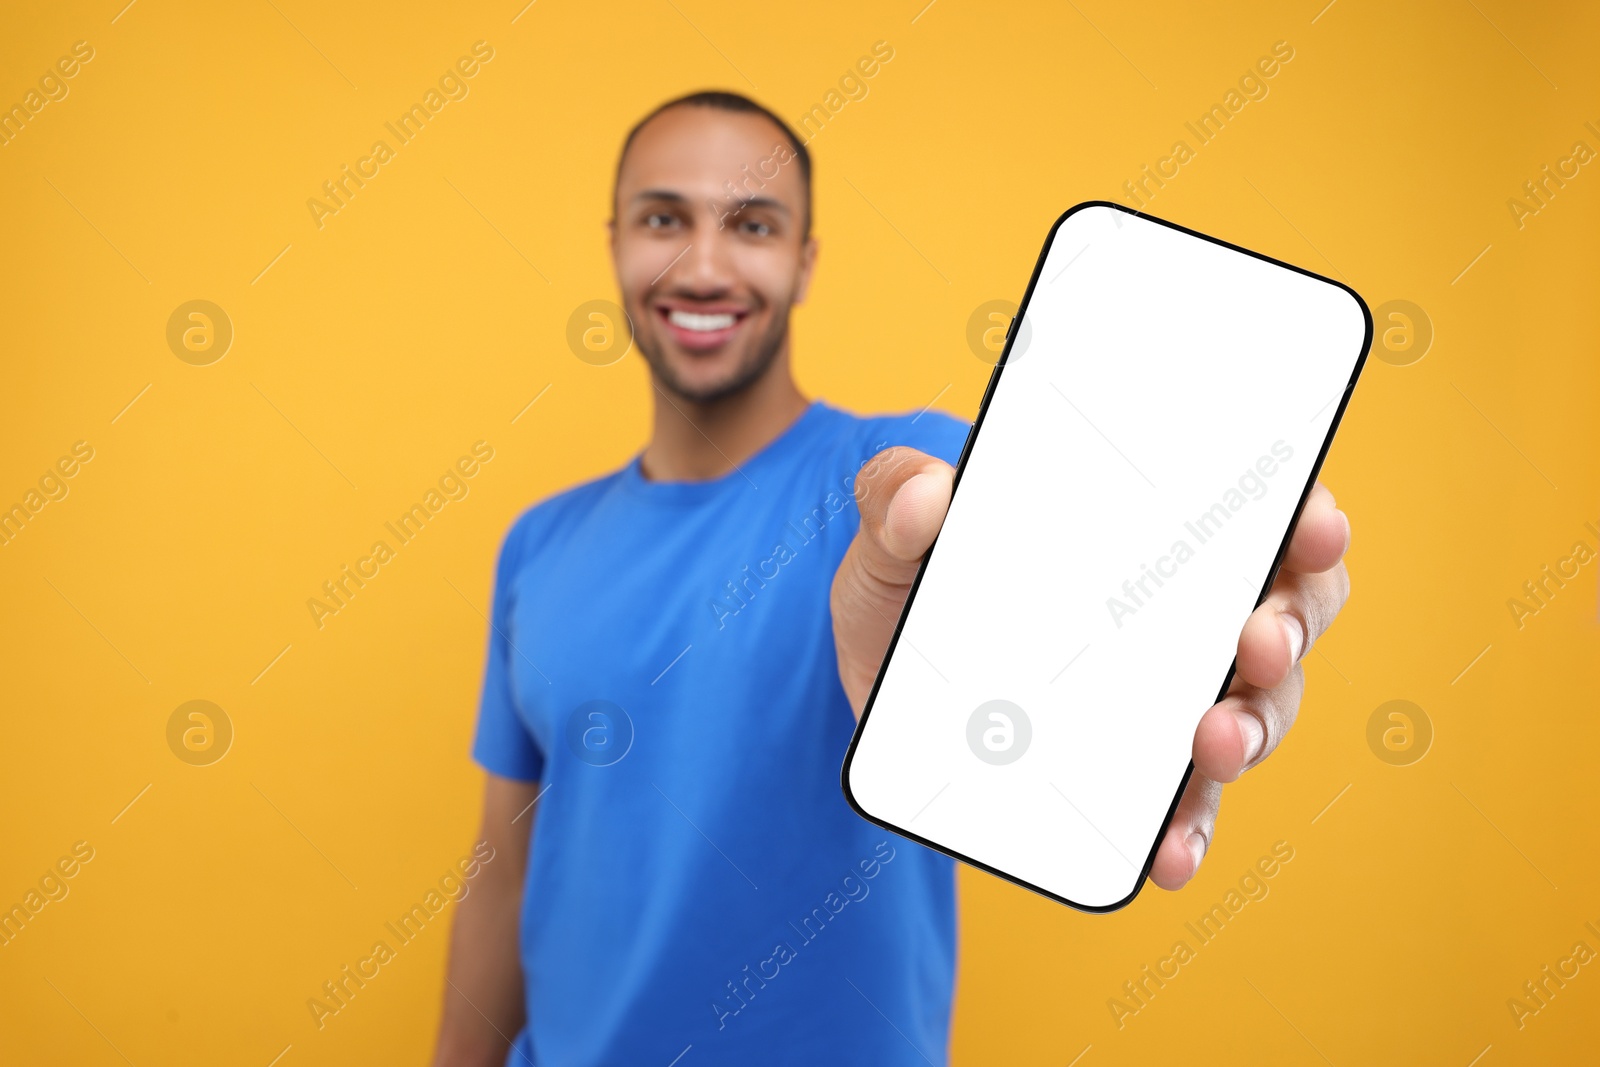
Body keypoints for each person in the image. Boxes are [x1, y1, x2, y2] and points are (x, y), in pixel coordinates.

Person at [430, 91, 1352, 1066]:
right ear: (615, 242)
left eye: (751, 224)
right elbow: (505, 864)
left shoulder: (912, 481)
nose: (702, 264)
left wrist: (1222, 565)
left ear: (804, 260)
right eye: (664, 218)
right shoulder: (538, 544)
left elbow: (1056, 578)